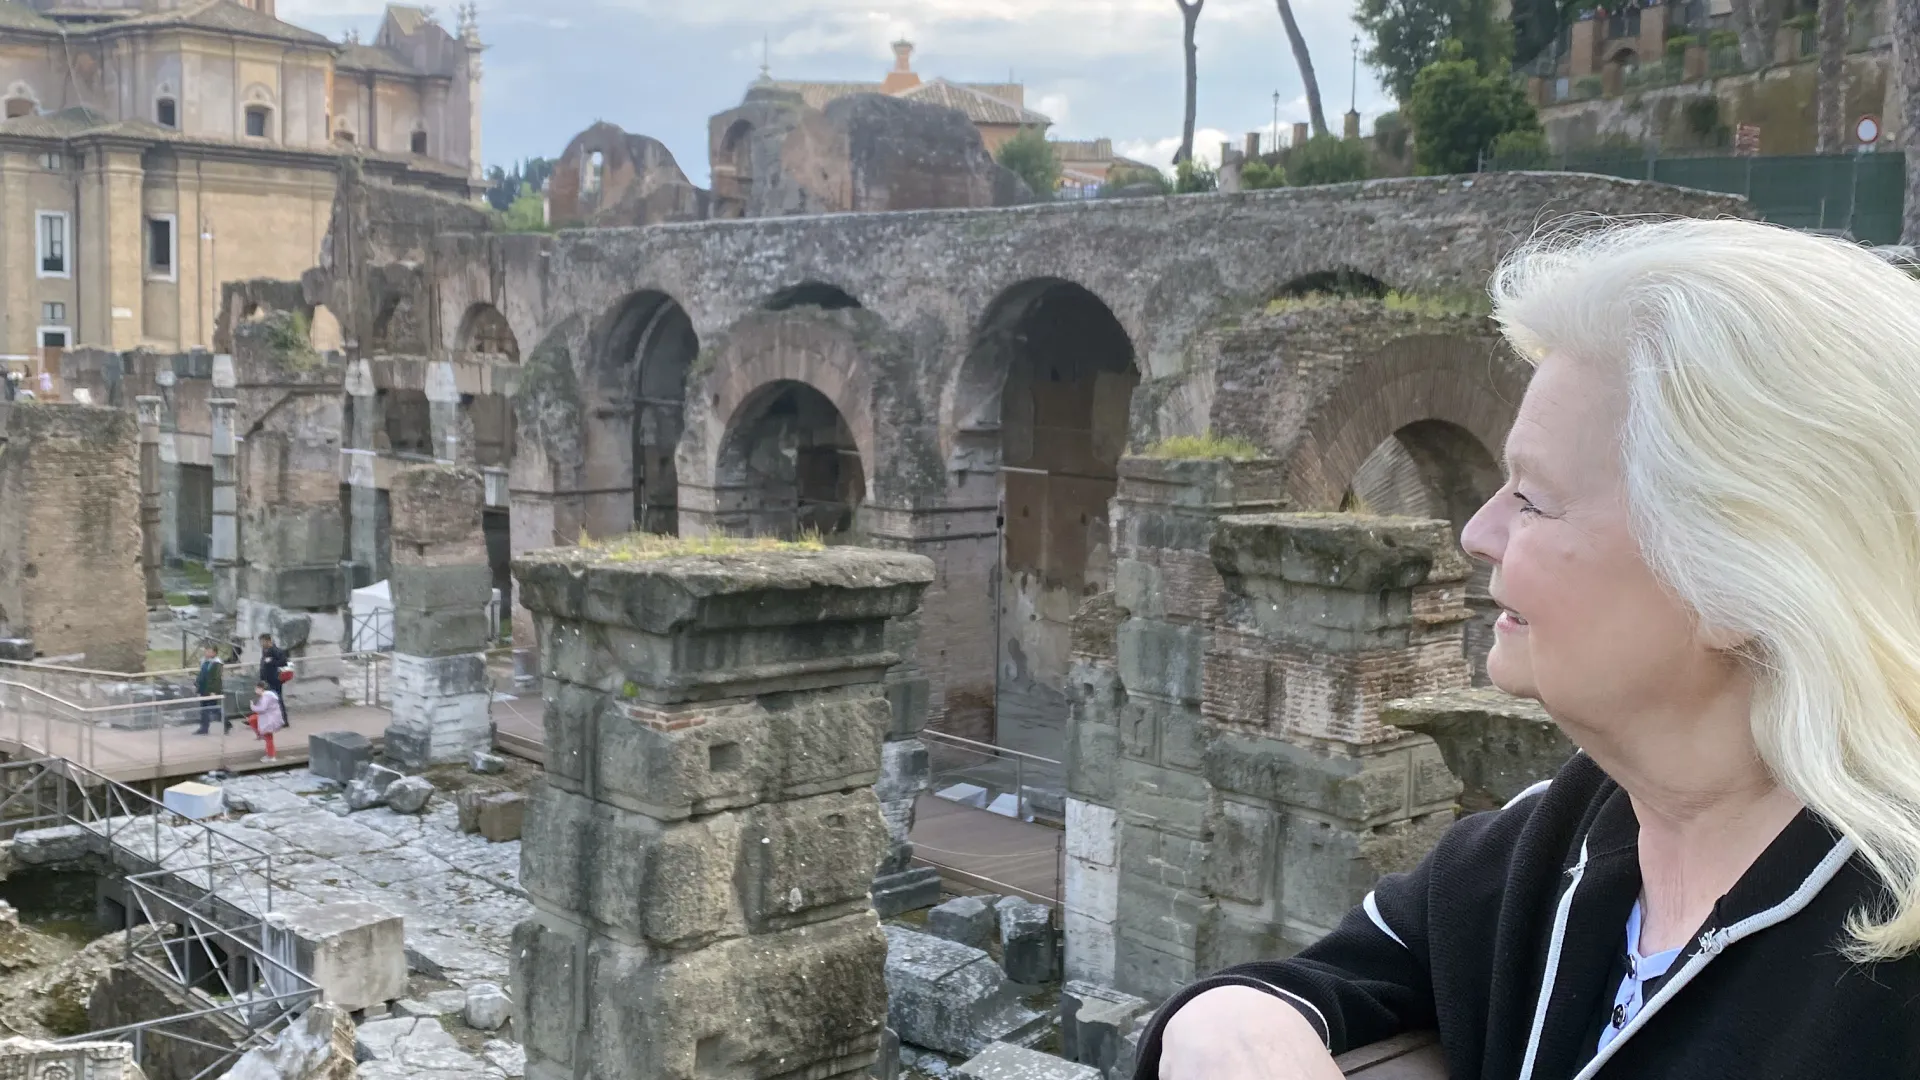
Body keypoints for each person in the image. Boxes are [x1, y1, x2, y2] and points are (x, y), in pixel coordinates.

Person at [1140, 219, 1920, 1080]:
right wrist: (1227, 1024)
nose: (1477, 532)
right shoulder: (1550, 841)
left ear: (1739, 582)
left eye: (1536, 500)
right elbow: (1319, 983)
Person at [192, 643, 227, 736]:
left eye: (209, 651)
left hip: (211, 690)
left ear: (214, 653)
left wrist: (214, 691)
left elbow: (216, 679)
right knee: (204, 709)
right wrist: (197, 683)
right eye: (206, 651)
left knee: (213, 708)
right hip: (204, 689)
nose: (207, 653)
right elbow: (202, 675)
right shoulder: (204, 661)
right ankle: (204, 728)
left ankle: (227, 723)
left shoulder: (217, 663)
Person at [257, 633, 290, 727]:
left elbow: (284, 661)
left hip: (275, 679)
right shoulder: (265, 651)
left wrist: (272, 662)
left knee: (277, 699)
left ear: (268, 641)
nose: (261, 644)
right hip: (266, 679)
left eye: (263, 641)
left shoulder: (275, 650)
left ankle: (284, 720)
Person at [248, 680, 284, 763]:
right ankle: (260, 735)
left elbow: (262, 709)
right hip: (269, 718)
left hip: (269, 720)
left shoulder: (266, 696)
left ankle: (271, 756)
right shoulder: (267, 695)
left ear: (260, 688)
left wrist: (252, 707)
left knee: (269, 737)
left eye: (256, 689)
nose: (255, 691)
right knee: (252, 719)